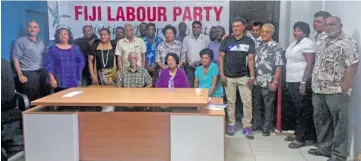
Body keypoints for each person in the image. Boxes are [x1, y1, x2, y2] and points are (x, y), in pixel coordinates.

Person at [309, 16, 359, 161]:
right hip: (318, 90)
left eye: (332, 24)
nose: (328, 27)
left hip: (336, 91)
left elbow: (353, 66)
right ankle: (324, 148)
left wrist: (345, 88)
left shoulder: (348, 43)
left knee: (340, 125)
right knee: (322, 121)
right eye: (326, 25)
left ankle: (338, 155)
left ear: (340, 25)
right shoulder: (324, 41)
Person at [219, 17, 256, 139]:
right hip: (229, 77)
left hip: (244, 77)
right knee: (230, 102)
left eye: (238, 26)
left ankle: (247, 127)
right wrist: (222, 74)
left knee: (247, 102)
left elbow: (251, 60)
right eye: (233, 26)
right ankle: (231, 124)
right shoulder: (227, 40)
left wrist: (252, 76)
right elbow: (221, 58)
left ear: (243, 27)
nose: (235, 28)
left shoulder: (249, 41)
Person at [284, 21, 317, 148]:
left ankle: (301, 138)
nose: (295, 32)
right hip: (292, 79)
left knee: (302, 109)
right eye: (294, 30)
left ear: (305, 32)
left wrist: (303, 82)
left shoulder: (308, 44)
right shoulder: (294, 43)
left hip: (301, 80)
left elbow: (309, 64)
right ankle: (298, 132)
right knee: (296, 109)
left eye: (298, 30)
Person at [252, 23, 284, 136]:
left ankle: (266, 127)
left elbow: (279, 65)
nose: (264, 33)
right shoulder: (257, 44)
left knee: (268, 105)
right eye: (262, 31)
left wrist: (275, 81)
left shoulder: (276, 46)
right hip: (256, 81)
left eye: (267, 32)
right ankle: (256, 124)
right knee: (256, 104)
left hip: (269, 81)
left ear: (272, 33)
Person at [11, 21, 49, 102]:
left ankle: (43, 111)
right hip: (27, 71)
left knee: (45, 93)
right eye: (30, 27)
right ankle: (29, 113)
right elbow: (15, 59)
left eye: (35, 27)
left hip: (40, 70)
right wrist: (20, 75)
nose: (32, 29)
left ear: (38, 30)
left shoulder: (41, 42)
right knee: (31, 97)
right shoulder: (20, 41)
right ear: (27, 29)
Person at [44, 27, 85, 92]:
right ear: (57, 36)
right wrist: (52, 79)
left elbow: (81, 62)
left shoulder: (76, 48)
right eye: (61, 34)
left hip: (73, 81)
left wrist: (78, 76)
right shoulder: (52, 49)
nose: (63, 36)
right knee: (59, 101)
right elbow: (49, 65)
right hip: (58, 82)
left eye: (65, 34)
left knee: (73, 100)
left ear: (69, 36)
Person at [183, 21, 211, 87]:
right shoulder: (186, 39)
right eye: (194, 27)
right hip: (189, 67)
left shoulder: (206, 38)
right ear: (191, 28)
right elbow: (184, 53)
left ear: (201, 28)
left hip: (203, 66)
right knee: (190, 85)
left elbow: (208, 53)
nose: (196, 29)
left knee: (203, 85)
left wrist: (200, 61)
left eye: (198, 27)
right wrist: (190, 64)